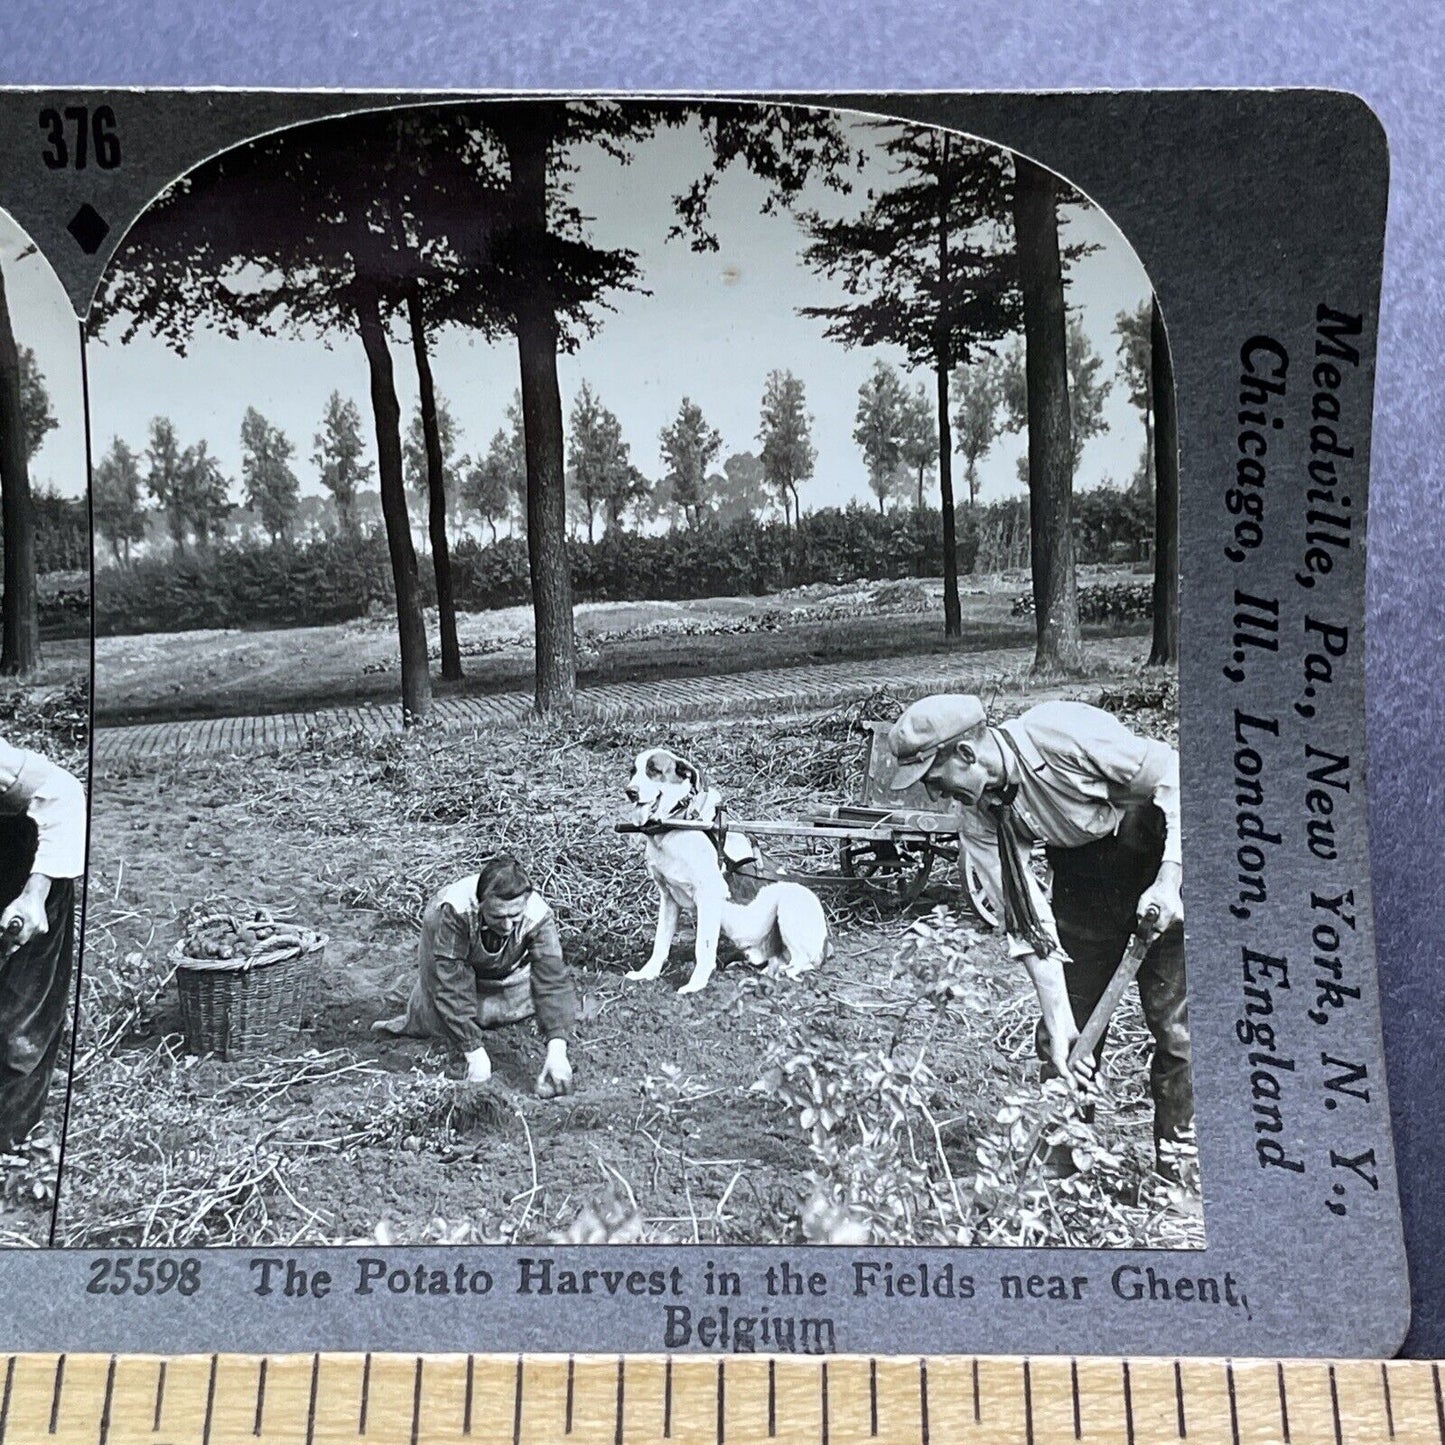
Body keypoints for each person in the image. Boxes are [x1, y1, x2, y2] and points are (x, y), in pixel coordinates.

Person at [888, 693, 1191, 1178]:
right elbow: (1029, 924)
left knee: (1176, 1031)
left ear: (966, 755)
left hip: (1158, 851)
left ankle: (1180, 1172)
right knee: (1061, 1037)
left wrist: (1169, 880)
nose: (935, 797)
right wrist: (1060, 1021)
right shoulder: (980, 821)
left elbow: (1176, 776)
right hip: (1086, 879)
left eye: (935, 782)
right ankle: (1064, 1167)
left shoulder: (1062, 731)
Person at [372, 853, 577, 1096]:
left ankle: (489, 1004)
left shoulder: (539, 916)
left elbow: (551, 980)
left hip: (499, 969)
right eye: (498, 917)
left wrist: (557, 1051)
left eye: (515, 916)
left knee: (529, 1003)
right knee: (435, 1019)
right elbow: (450, 982)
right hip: (450, 958)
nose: (508, 926)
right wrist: (475, 1055)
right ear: (481, 906)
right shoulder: (454, 911)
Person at [0, 738, 86, 1153]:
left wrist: (33, 895)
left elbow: (63, 791)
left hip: (21, 867)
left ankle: (12, 1145)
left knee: (18, 1025)